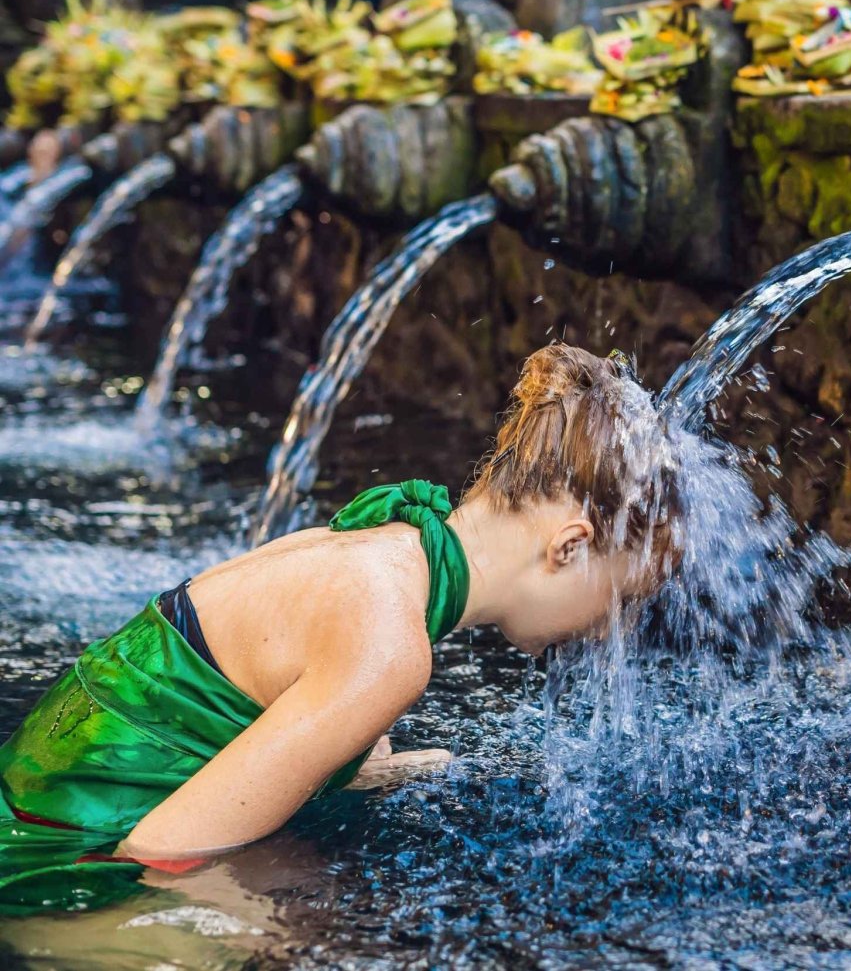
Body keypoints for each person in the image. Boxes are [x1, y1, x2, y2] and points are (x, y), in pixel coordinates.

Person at [0, 344, 680, 914]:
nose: (606, 632)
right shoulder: (389, 648)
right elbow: (166, 853)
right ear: (569, 546)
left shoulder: (375, 545)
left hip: (30, 806)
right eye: (619, 599)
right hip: (59, 879)